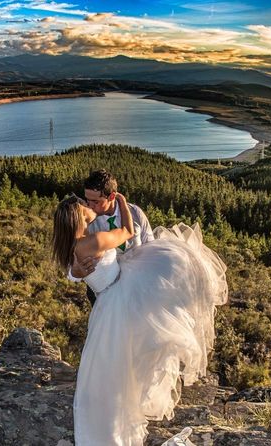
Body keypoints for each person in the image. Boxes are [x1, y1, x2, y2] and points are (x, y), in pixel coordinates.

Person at [52, 193, 228, 446]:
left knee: (110, 370)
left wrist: (75, 273)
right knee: (126, 365)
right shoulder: (95, 240)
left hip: (106, 306)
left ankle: (105, 432)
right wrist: (122, 202)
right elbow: (127, 231)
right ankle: (114, 432)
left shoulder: (73, 244)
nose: (89, 207)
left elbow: (74, 272)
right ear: (78, 216)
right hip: (118, 299)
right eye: (84, 205)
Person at [68, 169, 154, 306]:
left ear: (112, 196)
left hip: (138, 287)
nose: (89, 206)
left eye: (95, 202)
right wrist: (74, 273)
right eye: (87, 200)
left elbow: (151, 246)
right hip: (104, 296)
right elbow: (71, 262)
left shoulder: (134, 213)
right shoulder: (85, 221)